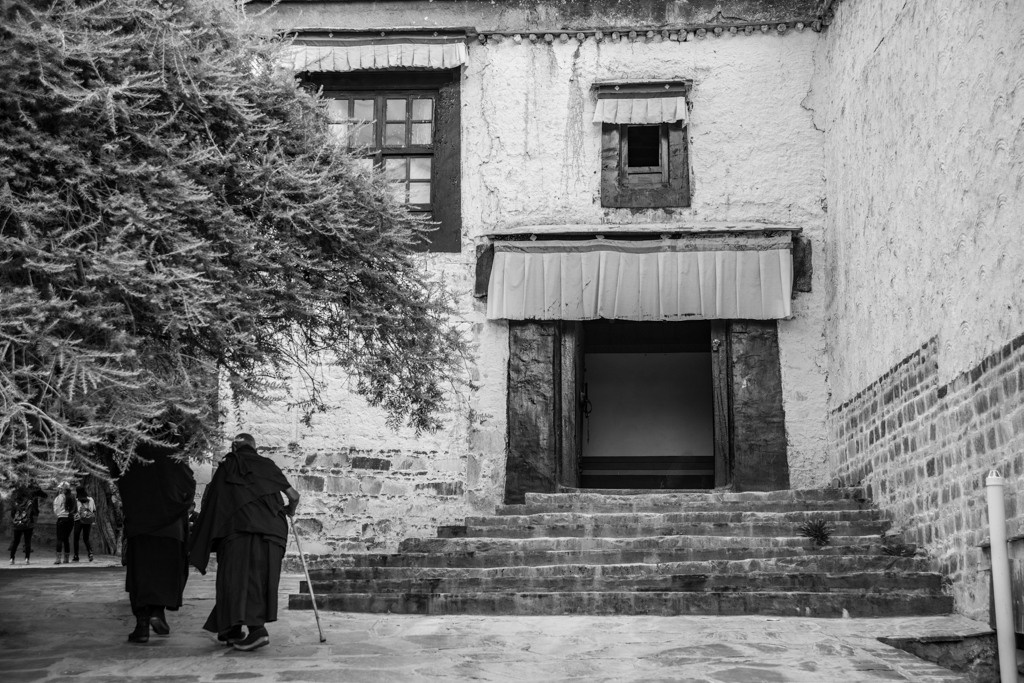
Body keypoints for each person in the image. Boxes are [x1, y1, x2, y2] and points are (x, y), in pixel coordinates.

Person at [190, 433, 300, 652]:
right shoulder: (267, 465)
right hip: (274, 531)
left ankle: (257, 630)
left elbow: (212, 501)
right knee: (259, 579)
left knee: (234, 579)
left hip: (240, 530)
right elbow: (294, 496)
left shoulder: (228, 466)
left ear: (234, 448)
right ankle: (230, 629)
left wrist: (201, 535)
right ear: (254, 447)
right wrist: (289, 510)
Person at [115, 441, 196, 644]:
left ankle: (142, 625)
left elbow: (123, 486)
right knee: (165, 574)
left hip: (141, 527)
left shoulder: (135, 458)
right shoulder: (173, 458)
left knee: (141, 575)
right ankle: (157, 613)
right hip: (171, 530)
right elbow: (189, 486)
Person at [8, 486, 41, 564]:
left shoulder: (15, 503)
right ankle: (27, 559)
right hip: (28, 525)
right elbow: (33, 513)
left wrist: (18, 520)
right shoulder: (29, 502)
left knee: (15, 542)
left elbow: (12, 514)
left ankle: (12, 559)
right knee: (27, 542)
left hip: (17, 525)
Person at [53, 482, 76, 564]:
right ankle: (66, 559)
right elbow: (75, 509)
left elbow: (55, 510)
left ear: (62, 489)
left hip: (61, 518)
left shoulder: (58, 498)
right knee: (66, 538)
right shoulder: (72, 497)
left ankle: (58, 559)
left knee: (59, 539)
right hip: (70, 519)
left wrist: (60, 515)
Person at [72, 485, 96, 562]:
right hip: (88, 521)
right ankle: (90, 553)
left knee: (76, 538)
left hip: (78, 520)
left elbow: (74, 511)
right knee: (86, 538)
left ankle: (76, 556)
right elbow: (94, 510)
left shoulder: (76, 500)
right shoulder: (91, 499)